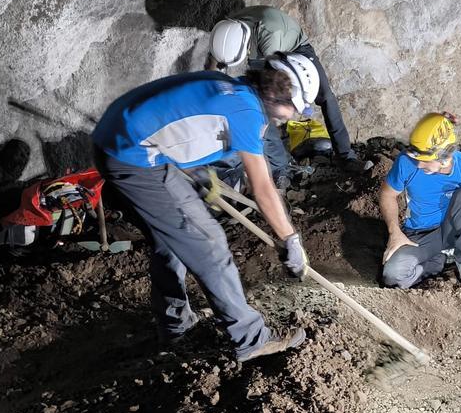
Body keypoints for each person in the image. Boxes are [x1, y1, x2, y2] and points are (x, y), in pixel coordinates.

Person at [91, 68, 310, 362]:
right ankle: (251, 339)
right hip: (134, 158)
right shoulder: (246, 113)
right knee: (209, 243)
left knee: (171, 240)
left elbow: (179, 119)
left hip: (126, 145)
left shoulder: (233, 88)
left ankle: (175, 326)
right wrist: (290, 239)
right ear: (278, 98)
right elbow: (264, 188)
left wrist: (197, 169)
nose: (293, 117)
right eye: (296, 108)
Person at [207, 6, 366, 187]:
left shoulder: (270, 37)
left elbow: (269, 87)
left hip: (296, 49)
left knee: (323, 97)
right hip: (264, 47)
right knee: (260, 106)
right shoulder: (224, 32)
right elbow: (212, 69)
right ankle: (279, 165)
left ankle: (346, 157)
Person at [379, 113, 461, 291]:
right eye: (417, 158)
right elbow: (387, 195)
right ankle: (438, 261)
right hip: (419, 233)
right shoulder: (406, 162)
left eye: (425, 161)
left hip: (454, 230)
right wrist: (395, 232)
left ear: (445, 158)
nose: (418, 165)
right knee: (393, 275)